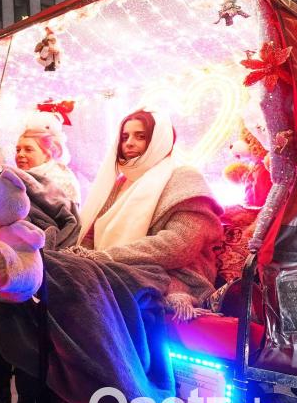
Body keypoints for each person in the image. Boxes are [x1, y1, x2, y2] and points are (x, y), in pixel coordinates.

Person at [70, 108, 223, 320]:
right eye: (125, 137)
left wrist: (106, 258)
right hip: (109, 270)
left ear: (160, 140)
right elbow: (91, 234)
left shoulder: (185, 178)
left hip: (172, 275)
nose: (129, 143)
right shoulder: (119, 184)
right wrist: (82, 258)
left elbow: (179, 245)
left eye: (140, 136)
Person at [15, 124, 81, 204]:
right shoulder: (16, 176)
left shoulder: (59, 180)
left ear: (47, 155)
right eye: (18, 150)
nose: (20, 154)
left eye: (28, 149)